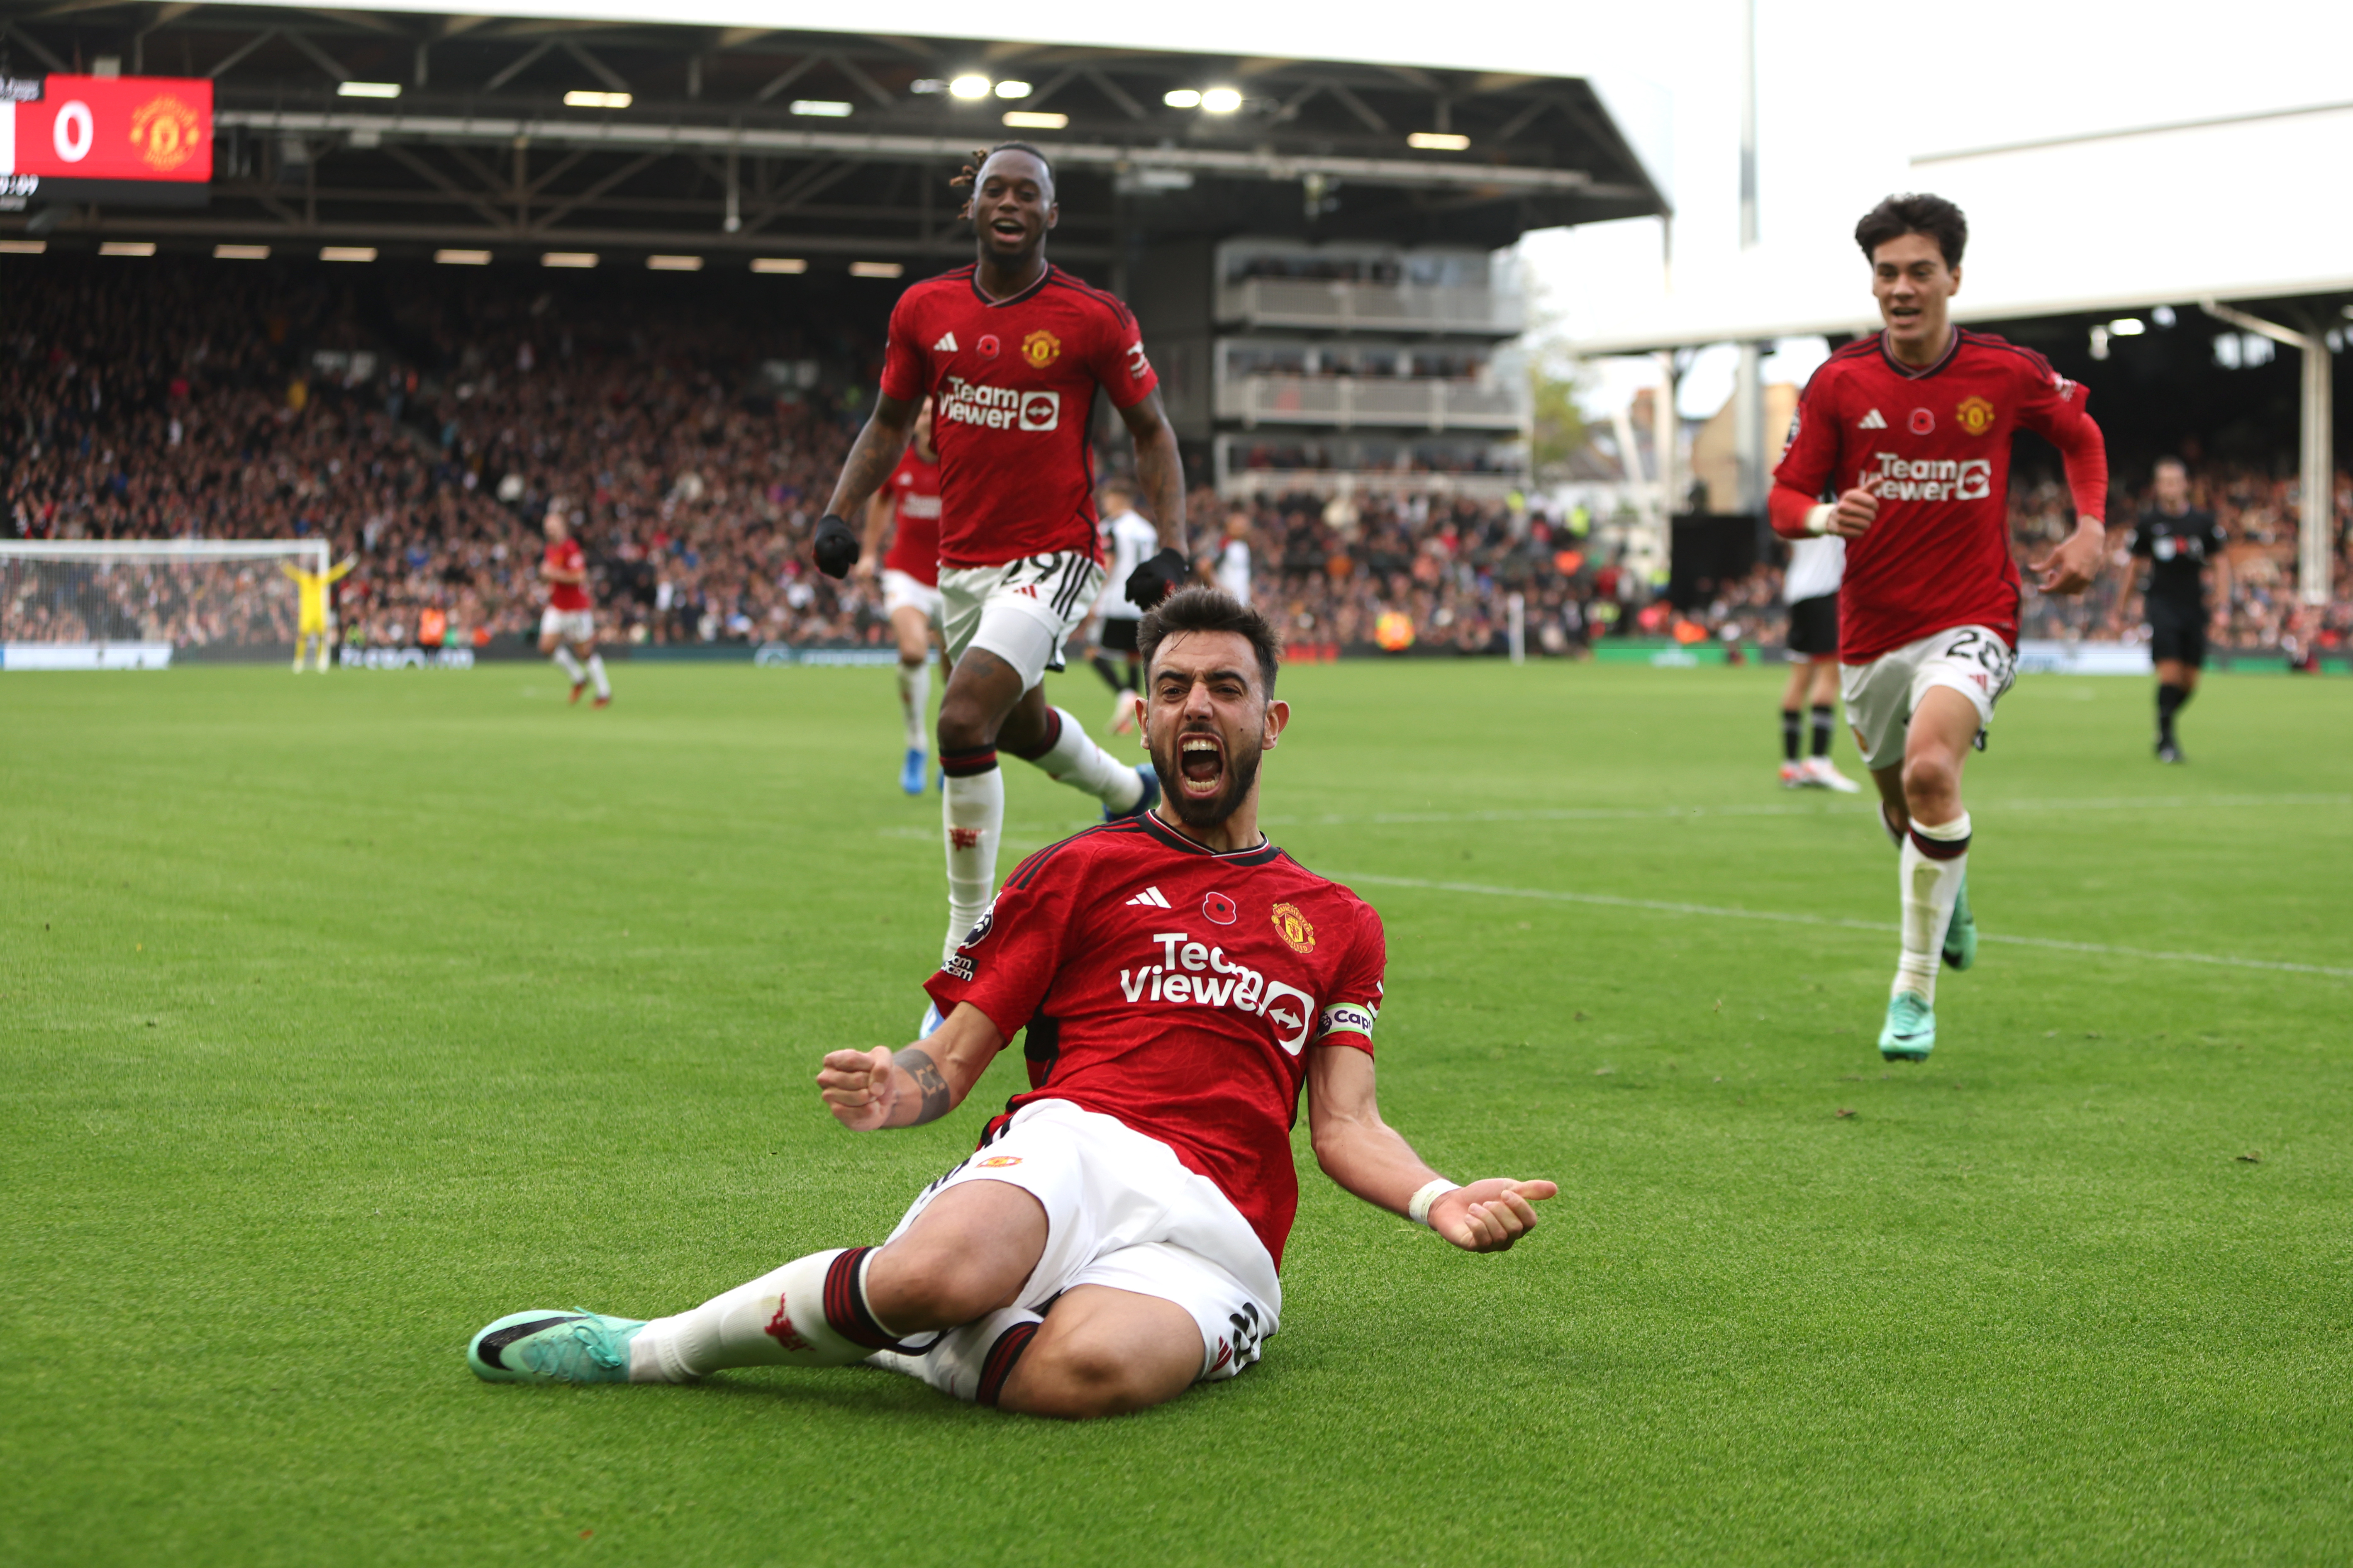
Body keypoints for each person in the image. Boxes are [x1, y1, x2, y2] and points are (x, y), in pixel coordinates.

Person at [465, 587, 1556, 1417]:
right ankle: (651, 1344)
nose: (1197, 707)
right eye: (1172, 686)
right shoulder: (1076, 871)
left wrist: (1437, 1198)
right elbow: (955, 1055)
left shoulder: (1336, 921)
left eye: (1224, 688)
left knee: (1084, 1372)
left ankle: (910, 1338)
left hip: (1220, 1222)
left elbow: (1345, 1125)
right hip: (1073, 1142)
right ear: (1140, 718)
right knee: (942, 1269)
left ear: (1270, 721)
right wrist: (904, 1084)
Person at [807, 142, 1193, 974]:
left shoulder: (1093, 318)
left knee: (959, 718)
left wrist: (1174, 547)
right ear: (971, 207)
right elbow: (885, 422)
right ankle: (1131, 794)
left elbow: (1152, 430)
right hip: (964, 564)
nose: (1010, 203)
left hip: (1055, 555)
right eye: (995, 190)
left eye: (1028, 192)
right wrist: (839, 515)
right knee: (1017, 728)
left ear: (1052, 214)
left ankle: (968, 942)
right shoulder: (924, 309)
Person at [1770, 192, 2108, 1062]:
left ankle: (1912, 989)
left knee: (1929, 771)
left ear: (1954, 276)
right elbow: (1782, 499)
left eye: (1921, 270)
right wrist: (1821, 519)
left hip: (1973, 616)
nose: (1903, 287)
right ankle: (1946, 887)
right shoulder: (1840, 383)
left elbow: (2079, 432)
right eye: (1887, 273)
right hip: (1871, 635)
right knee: (1902, 803)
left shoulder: (2003, 371)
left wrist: (2091, 526)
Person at [856, 397, 950, 794]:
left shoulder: (961, 462)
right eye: (923, 413)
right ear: (913, 423)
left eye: (934, 412)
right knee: (912, 651)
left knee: (957, 675)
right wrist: (868, 555)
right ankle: (915, 746)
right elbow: (880, 504)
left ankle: (954, 752)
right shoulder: (899, 463)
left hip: (955, 578)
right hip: (906, 574)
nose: (929, 419)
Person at [2127, 458, 2226, 763]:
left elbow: (2221, 564)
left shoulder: (2203, 523)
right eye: (2164, 481)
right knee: (2169, 674)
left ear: (2185, 485)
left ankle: (2163, 724)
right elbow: (2133, 566)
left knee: (2189, 682)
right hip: (2161, 605)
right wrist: (2121, 606)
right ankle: (2167, 739)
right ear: (2157, 487)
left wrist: (2222, 606)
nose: (2169, 487)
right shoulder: (2147, 524)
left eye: (2174, 481)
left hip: (2194, 608)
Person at [1776, 533, 1860, 791]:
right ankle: (1818, 762)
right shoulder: (1835, 501)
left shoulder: (1798, 507)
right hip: (1825, 593)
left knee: (1799, 679)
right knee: (1828, 675)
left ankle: (1791, 766)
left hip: (1797, 591)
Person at [1084, 476, 1161, 735]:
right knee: (1133, 655)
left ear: (1116, 499)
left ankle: (1124, 695)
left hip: (1116, 601)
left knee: (1092, 653)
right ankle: (1131, 716)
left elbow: (1108, 564)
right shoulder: (1147, 530)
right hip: (1142, 603)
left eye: (1106, 499)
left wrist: (1094, 600)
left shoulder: (1111, 528)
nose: (1105, 505)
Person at [539, 505, 610, 708]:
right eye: (547, 527)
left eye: (553, 527)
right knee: (546, 647)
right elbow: (550, 577)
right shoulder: (549, 549)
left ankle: (604, 693)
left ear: (563, 528)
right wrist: (546, 579)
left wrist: (552, 574)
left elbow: (580, 576)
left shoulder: (571, 547)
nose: (550, 531)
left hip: (576, 609)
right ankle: (579, 678)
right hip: (558, 607)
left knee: (585, 652)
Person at [281, 551, 354, 673]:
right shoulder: (305, 579)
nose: (314, 572)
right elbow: (293, 573)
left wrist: (348, 564)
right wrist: (284, 565)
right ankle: (299, 661)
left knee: (321, 638)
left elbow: (336, 573)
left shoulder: (321, 579)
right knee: (303, 638)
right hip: (307, 615)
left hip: (320, 615)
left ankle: (320, 661)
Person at [1212, 511, 1254, 605]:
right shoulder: (1225, 544)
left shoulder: (1244, 547)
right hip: (1227, 602)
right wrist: (1219, 587)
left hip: (1241, 603)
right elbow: (1204, 565)